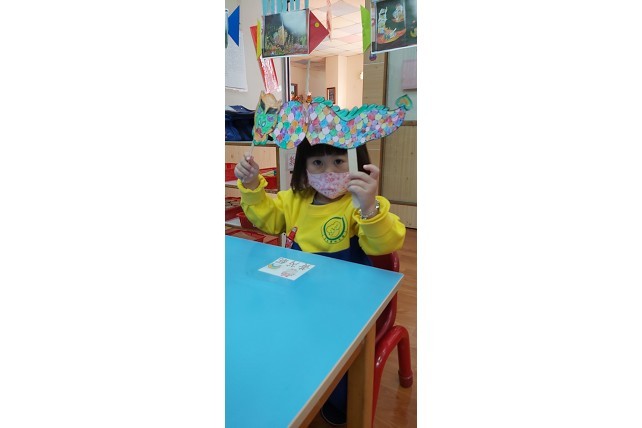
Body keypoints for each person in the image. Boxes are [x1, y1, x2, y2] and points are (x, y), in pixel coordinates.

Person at [234, 138, 406, 424]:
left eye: (339, 161)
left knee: (335, 353)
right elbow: (269, 221)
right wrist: (252, 186)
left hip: (347, 303)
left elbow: (385, 245)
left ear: (358, 163)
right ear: (303, 167)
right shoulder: (294, 200)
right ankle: (291, 384)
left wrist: (369, 208)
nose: (329, 172)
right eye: (317, 162)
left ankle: (338, 401)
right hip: (299, 297)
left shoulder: (359, 205)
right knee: (275, 334)